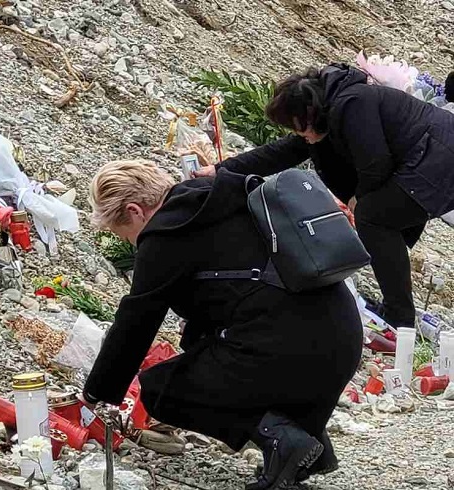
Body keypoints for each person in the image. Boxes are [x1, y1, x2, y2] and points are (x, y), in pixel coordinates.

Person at [81, 160, 362, 490]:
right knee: (218, 351)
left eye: (123, 233)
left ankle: (285, 441)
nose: (131, 243)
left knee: (161, 390)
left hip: (292, 349)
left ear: (135, 211)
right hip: (342, 340)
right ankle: (310, 443)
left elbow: (136, 322)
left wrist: (97, 392)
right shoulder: (222, 197)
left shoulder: (166, 232)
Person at [193, 63, 454, 328]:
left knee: (374, 217)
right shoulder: (327, 113)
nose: (299, 135)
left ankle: (399, 318)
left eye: (297, 127)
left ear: (306, 111)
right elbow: (280, 153)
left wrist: (358, 197)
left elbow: (375, 164)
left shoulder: (352, 104)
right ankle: (397, 308)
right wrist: (220, 170)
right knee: (381, 221)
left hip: (439, 156)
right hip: (430, 157)